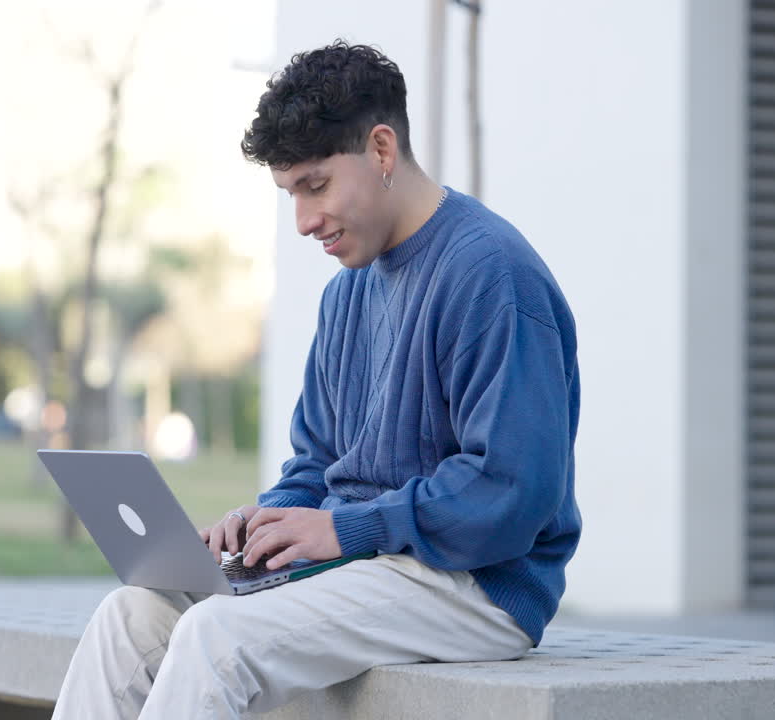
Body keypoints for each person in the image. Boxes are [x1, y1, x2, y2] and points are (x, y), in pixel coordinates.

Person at [50, 39, 581, 720]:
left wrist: (347, 530)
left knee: (218, 639)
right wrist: (265, 524)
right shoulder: (349, 293)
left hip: (475, 586)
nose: (303, 221)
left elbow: (513, 494)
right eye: (289, 193)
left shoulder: (491, 274)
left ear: (382, 151)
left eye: (316, 186)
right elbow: (319, 465)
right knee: (132, 613)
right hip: (365, 566)